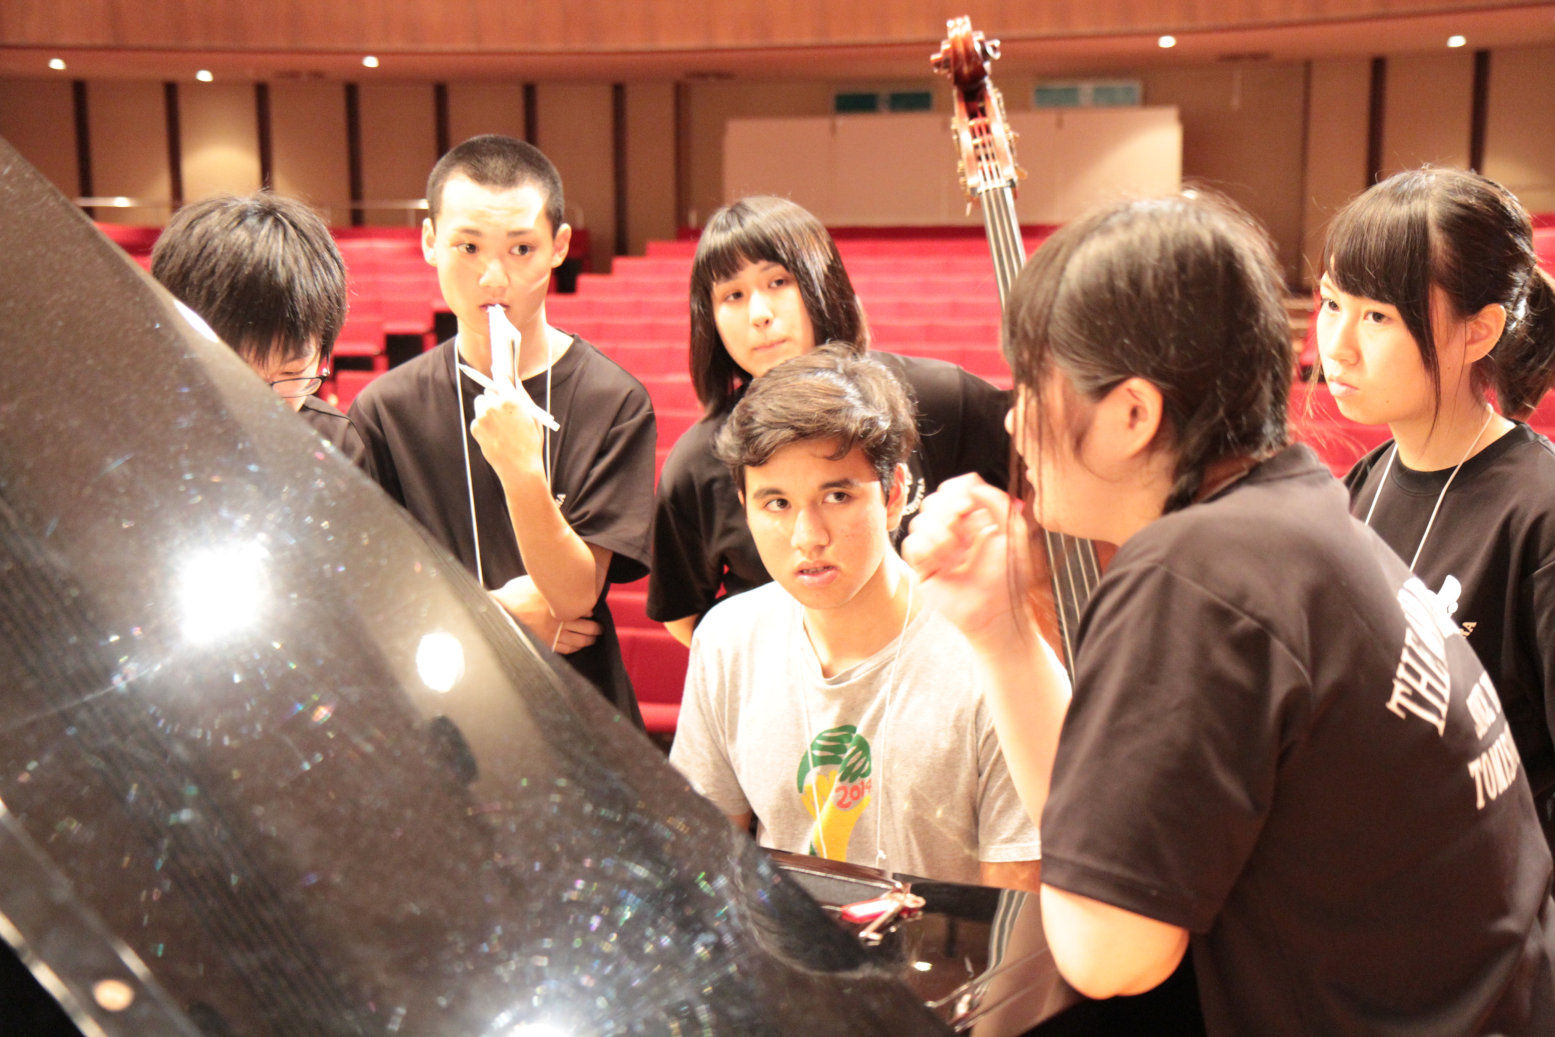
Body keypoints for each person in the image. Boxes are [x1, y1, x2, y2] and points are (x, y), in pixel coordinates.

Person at [902, 192, 1555, 1032]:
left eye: (1034, 384)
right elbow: (1109, 825)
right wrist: (1001, 635)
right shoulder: (1288, 505)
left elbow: (1110, 948)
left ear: (1133, 413)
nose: (1012, 417)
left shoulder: (1196, 572)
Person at [668, 346, 1041, 890]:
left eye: (837, 495)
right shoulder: (728, 639)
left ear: (893, 496)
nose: (807, 537)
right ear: (744, 505)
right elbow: (704, 860)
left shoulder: (988, 657)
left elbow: (1012, 908)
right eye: (777, 504)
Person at [345, 135, 656, 725]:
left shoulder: (615, 401)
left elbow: (573, 596)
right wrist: (495, 618)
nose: (493, 277)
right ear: (430, 241)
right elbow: (373, 603)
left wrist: (520, 466)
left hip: (581, 715)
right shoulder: (383, 410)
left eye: (521, 248)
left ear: (558, 247)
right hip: (443, 716)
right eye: (468, 247)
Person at [647, 195, 1011, 647]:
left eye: (778, 282)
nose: (759, 314)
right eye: (733, 295)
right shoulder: (695, 463)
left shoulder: (938, 395)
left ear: (823, 284)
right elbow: (684, 615)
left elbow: (1047, 480)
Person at [1316, 167, 1555, 848]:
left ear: (1478, 332)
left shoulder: (1538, 512)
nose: (1337, 346)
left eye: (1377, 317)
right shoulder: (1363, 485)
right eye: (1331, 303)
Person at [150, 191, 359, 452]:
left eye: (292, 372)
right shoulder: (131, 436)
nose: (267, 405)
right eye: (239, 373)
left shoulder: (335, 444)